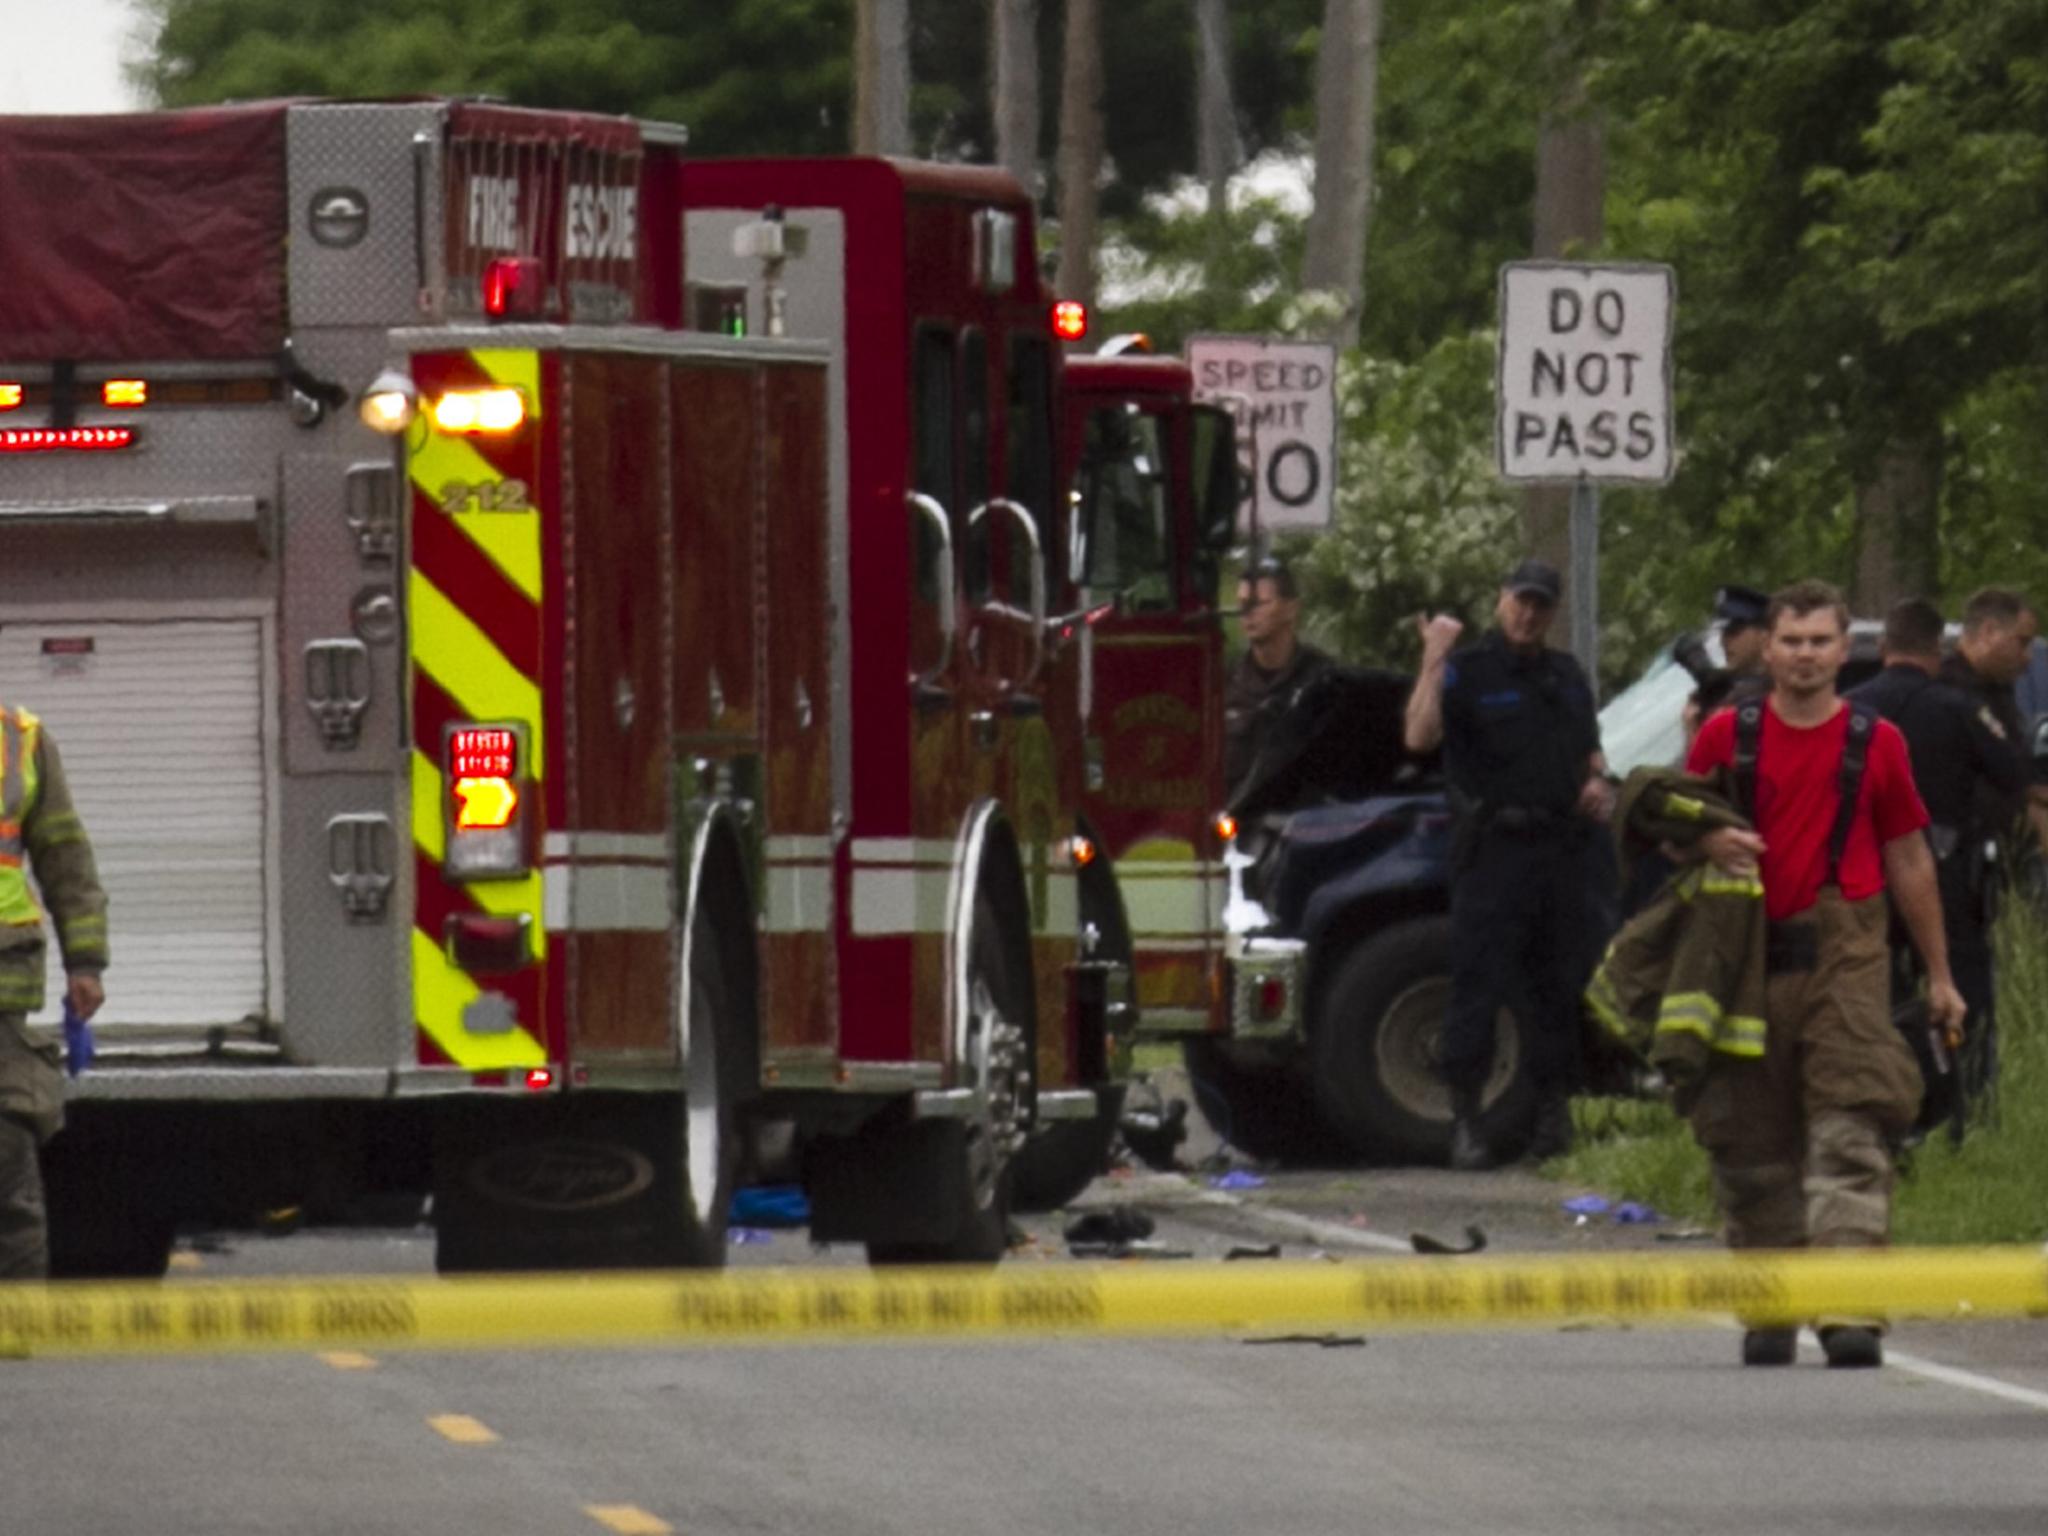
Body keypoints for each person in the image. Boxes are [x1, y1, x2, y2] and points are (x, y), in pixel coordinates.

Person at [1686, 579, 1964, 1370]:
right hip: (1745, 958)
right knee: (1751, 1141)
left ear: (1847, 651)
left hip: (1849, 955)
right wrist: (1706, 842)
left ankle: (1847, 1309)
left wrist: (1940, 973)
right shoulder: (1722, 736)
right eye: (1791, 640)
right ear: (1766, 649)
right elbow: (1670, 828)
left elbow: (1910, 856)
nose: (1805, 655)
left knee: (1851, 1125)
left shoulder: (1879, 743)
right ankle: (1772, 1303)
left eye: (1820, 641)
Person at [1405, 558, 1613, 1169]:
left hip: (1558, 848)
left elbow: (1588, 749)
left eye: (1541, 604)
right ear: (1500, 600)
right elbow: (1418, 736)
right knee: (1478, 984)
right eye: (1520, 600)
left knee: (1557, 985)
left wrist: (1599, 780)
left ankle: (1552, 1116)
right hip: (1494, 850)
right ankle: (1466, 1120)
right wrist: (1434, 653)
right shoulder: (1468, 671)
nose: (1528, 613)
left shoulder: (1566, 675)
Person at [1850, 597, 2028, 1123]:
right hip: (1946, 868)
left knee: (1874, 989)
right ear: (1936, 651)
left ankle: (1875, 1104)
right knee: (1957, 986)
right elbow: (2013, 775)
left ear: (1883, 648)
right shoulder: (1956, 707)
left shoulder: (1852, 707)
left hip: (1863, 872)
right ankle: (1962, 1108)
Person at [0, 699, 109, 1278]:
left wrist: (85, 961)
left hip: (1, 994)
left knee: (9, 1180)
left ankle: (14, 1326)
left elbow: (64, 854)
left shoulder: (20, 741)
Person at [1222, 556, 1332, 798]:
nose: (1247, 613)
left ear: (1291, 609)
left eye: (1259, 603)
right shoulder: (1224, 683)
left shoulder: (1323, 679)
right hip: (1239, 822)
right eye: (1242, 603)